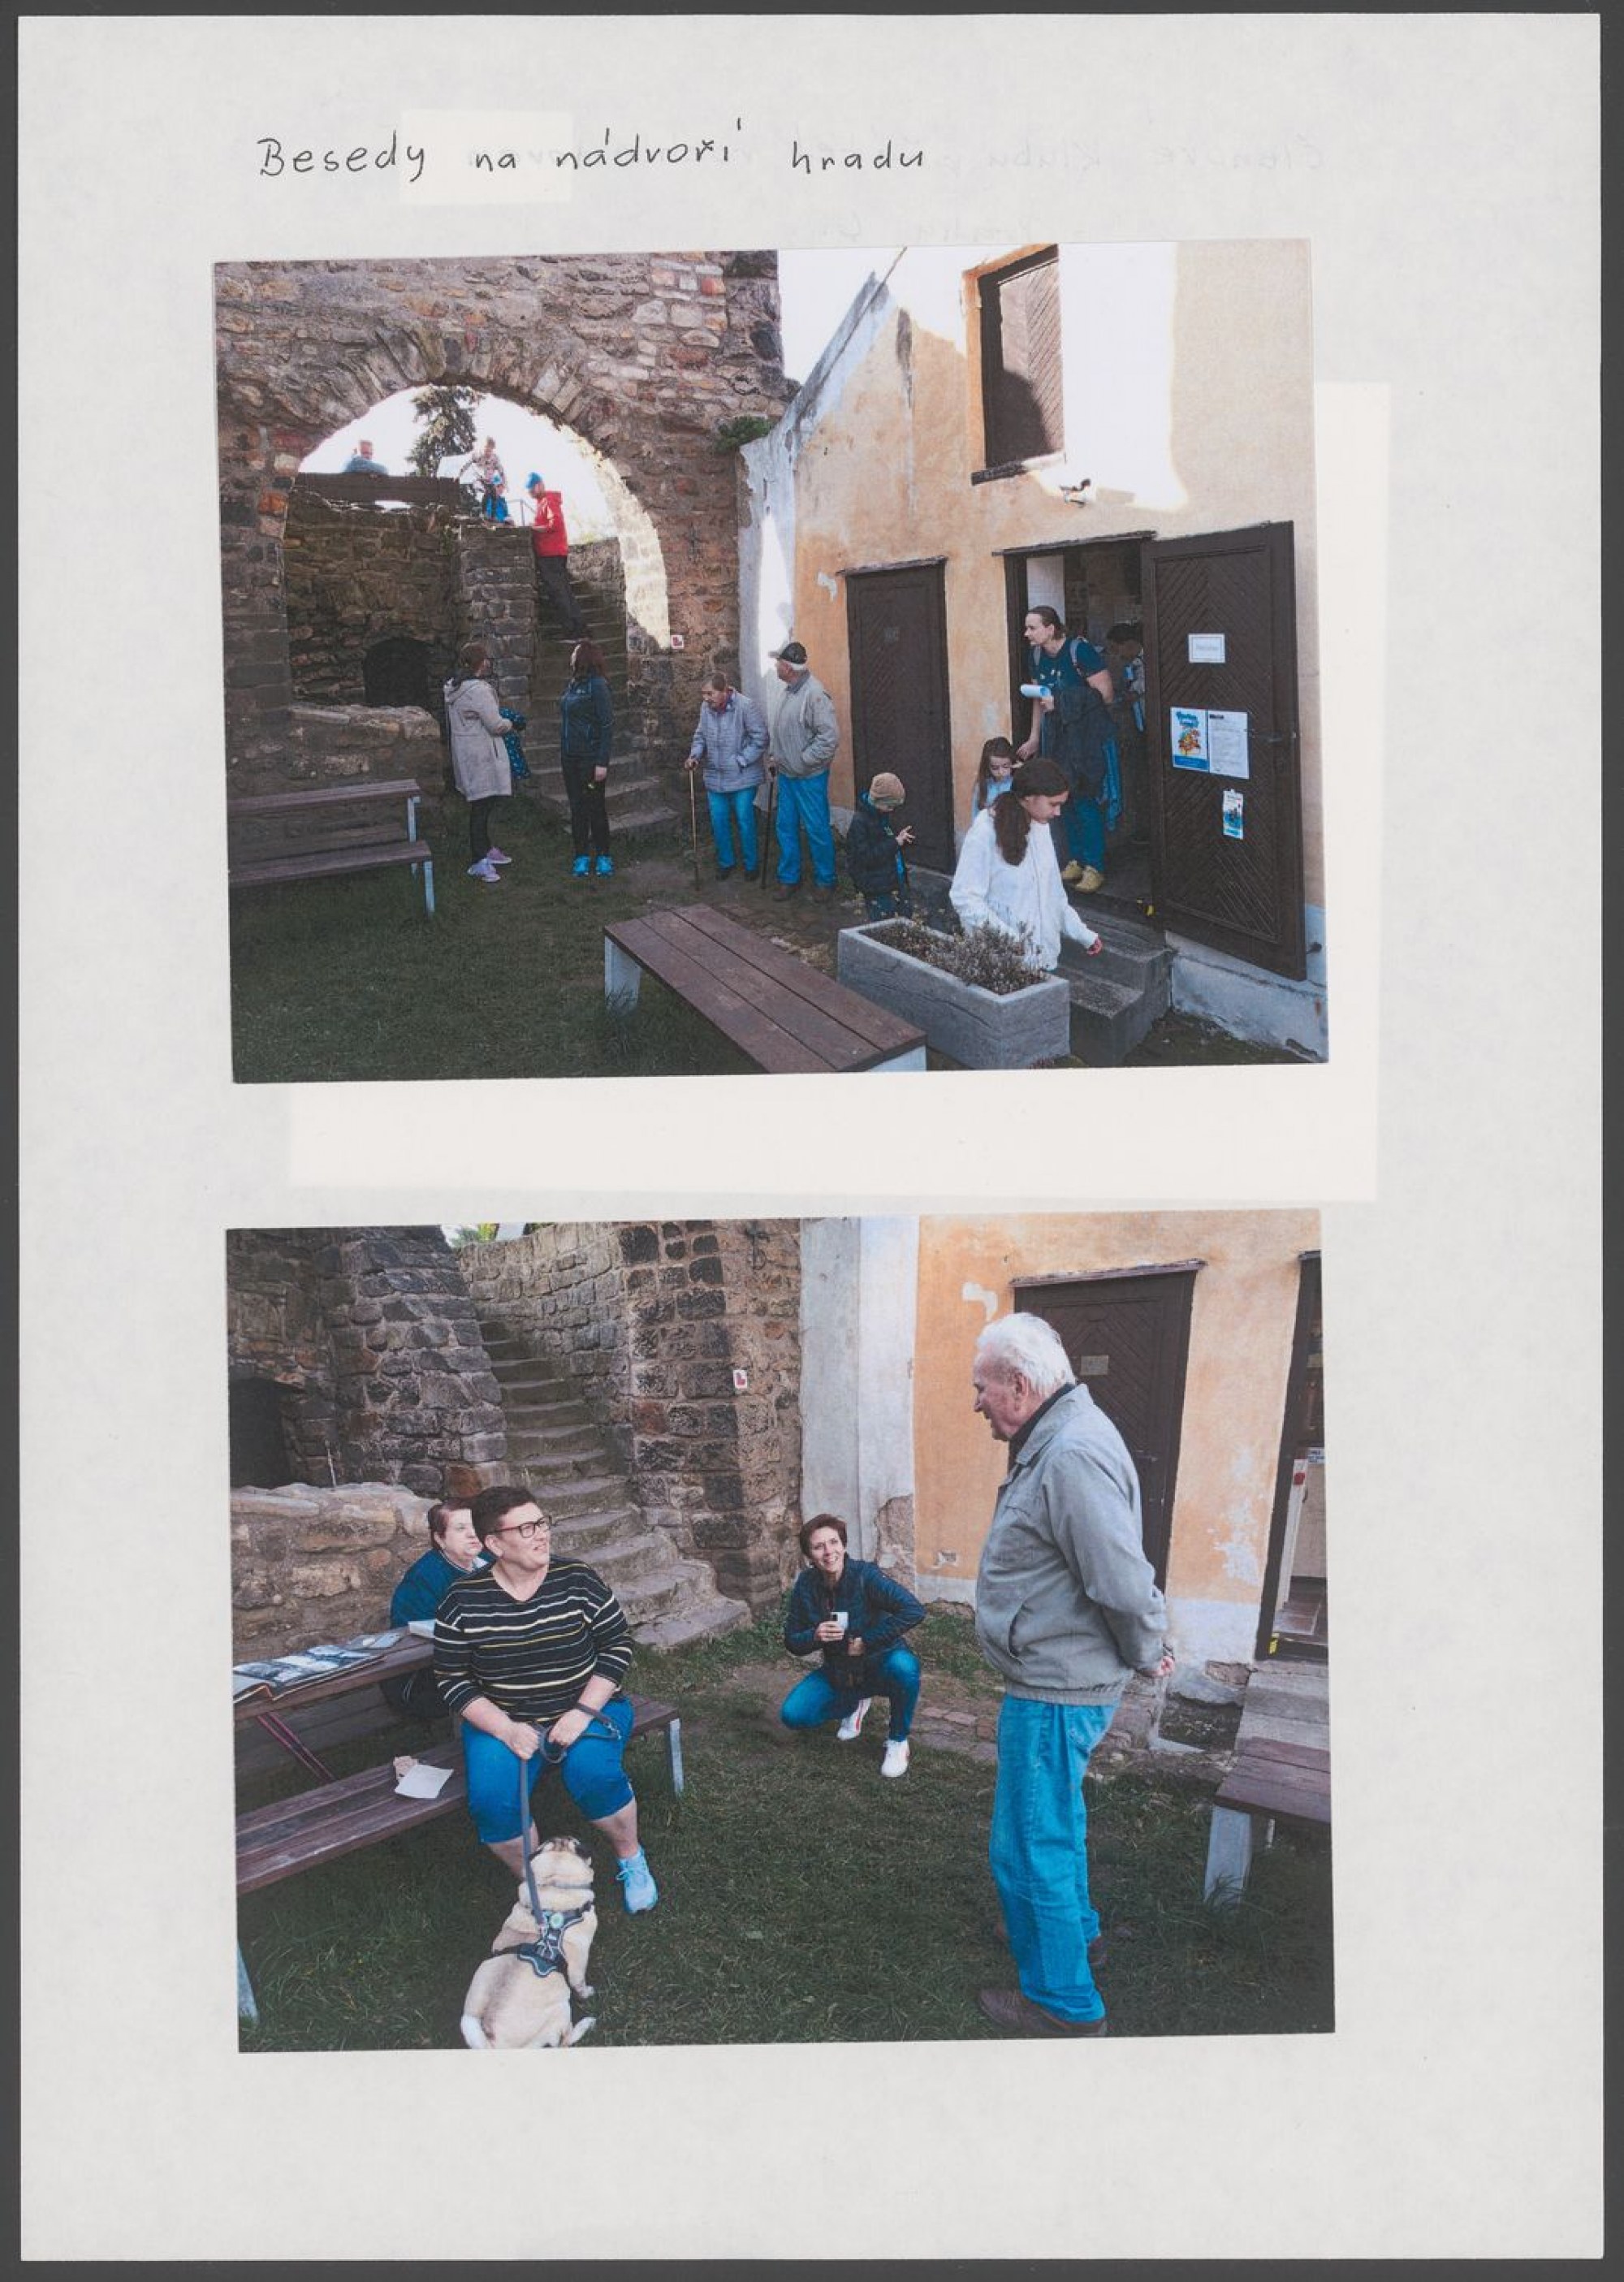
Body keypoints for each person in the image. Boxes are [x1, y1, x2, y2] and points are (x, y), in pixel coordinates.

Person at [970, 1314, 1175, 2038]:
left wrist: (1148, 1648)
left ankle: (1063, 2003)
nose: (977, 1402)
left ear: (1020, 1385)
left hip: (1057, 1689)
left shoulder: (1070, 1454)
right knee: (1050, 1821)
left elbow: (1120, 1579)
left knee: (1030, 1843)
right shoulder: (1059, 1435)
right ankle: (1073, 1933)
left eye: (983, 1387)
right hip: (1056, 1678)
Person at [434, 1485, 659, 1913]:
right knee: (492, 1802)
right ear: (495, 1544)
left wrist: (582, 1712)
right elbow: (452, 1680)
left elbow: (617, 1645)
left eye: (541, 1523)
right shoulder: (461, 1600)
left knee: (592, 1773)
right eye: (526, 1528)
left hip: (590, 1708)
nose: (541, 1534)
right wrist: (506, 1729)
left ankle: (631, 1857)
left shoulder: (576, 1579)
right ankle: (542, 1886)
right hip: (507, 1719)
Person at [780, 1514, 926, 1779]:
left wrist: (866, 1642)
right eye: (818, 1547)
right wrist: (815, 1635)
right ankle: (853, 1704)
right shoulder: (806, 1585)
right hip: (841, 1671)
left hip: (881, 1660)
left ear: (843, 1544)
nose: (828, 1552)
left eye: (833, 1542)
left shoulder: (865, 1576)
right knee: (794, 1715)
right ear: (809, 1556)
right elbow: (792, 1641)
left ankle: (897, 1740)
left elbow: (913, 1610)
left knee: (905, 1668)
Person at [949, 758, 1104, 970]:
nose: (1058, 813)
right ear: (1029, 797)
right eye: (1053, 804)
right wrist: (1011, 941)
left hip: (1044, 960)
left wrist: (1082, 933)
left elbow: (1054, 895)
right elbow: (965, 897)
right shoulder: (986, 830)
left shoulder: (1041, 827)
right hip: (1004, 964)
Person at [1016, 605, 1117, 893]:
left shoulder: (1079, 651)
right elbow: (1039, 700)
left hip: (1085, 739)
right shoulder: (1036, 655)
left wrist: (1061, 701)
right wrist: (1034, 737)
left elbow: (1106, 695)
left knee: (1084, 798)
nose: (1027, 634)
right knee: (1062, 798)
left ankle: (1094, 866)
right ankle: (1075, 859)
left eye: (1032, 628)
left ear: (1050, 629)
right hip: (1056, 738)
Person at [382, 1502, 490, 1722]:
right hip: (429, 1674)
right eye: (461, 1529)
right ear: (440, 1539)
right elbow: (415, 1633)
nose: (473, 1534)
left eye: (475, 1526)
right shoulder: (425, 1576)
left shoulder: (489, 1562)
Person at [764, 640, 840, 903]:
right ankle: (789, 879)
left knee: (816, 829)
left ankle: (826, 880)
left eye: (778, 663)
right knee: (785, 826)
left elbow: (829, 738)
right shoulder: (789, 691)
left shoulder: (815, 694)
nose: (776, 666)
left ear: (788, 668)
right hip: (788, 775)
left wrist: (804, 760)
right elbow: (783, 729)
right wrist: (775, 755)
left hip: (809, 777)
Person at [684, 672, 770, 880]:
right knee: (718, 820)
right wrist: (695, 755)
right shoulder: (706, 708)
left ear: (724, 690)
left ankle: (751, 865)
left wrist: (741, 760)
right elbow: (700, 736)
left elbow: (761, 738)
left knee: (744, 819)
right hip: (716, 776)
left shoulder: (746, 706)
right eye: (703, 694)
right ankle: (726, 862)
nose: (706, 698)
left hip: (743, 776)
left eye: (710, 693)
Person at [443, 640, 515, 885]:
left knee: (482, 803)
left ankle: (486, 848)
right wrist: (512, 723)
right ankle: (478, 860)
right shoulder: (478, 690)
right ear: (480, 663)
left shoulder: (454, 688)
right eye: (485, 659)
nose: (487, 663)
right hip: (482, 754)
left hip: (467, 753)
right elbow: (495, 725)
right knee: (482, 807)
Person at [559, 638, 614, 879]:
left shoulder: (598, 686)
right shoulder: (573, 684)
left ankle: (603, 856)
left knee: (595, 807)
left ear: (583, 657)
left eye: (575, 652)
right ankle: (581, 855)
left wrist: (602, 762)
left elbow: (607, 724)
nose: (571, 656)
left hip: (590, 760)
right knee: (577, 807)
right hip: (570, 758)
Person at [844, 771, 915, 918]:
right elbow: (865, 858)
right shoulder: (860, 823)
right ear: (878, 802)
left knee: (905, 915)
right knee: (883, 922)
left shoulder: (882, 814)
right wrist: (895, 843)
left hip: (894, 879)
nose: (892, 810)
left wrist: (901, 840)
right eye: (890, 806)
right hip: (877, 887)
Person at [526, 473, 590, 637]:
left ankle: (572, 630)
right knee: (564, 592)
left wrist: (533, 528)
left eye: (531, 489)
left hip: (551, 554)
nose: (530, 493)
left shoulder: (549, 501)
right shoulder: (543, 502)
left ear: (539, 485)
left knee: (559, 593)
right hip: (553, 553)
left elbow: (556, 524)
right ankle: (579, 628)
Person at [460, 436, 509, 523]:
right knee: (487, 492)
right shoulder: (477, 455)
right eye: (486, 450)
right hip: (479, 480)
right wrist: (459, 474)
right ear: (483, 448)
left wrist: (505, 484)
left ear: (492, 450)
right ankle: (483, 513)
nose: (488, 453)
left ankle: (493, 517)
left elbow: (501, 472)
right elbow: (467, 464)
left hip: (489, 481)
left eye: (490, 451)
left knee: (494, 496)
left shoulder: (495, 459)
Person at [970, 736, 1018, 818]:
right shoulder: (982, 785)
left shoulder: (1017, 783)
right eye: (995, 768)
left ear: (1012, 762)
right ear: (988, 766)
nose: (1001, 772)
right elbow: (975, 815)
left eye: (1005, 766)